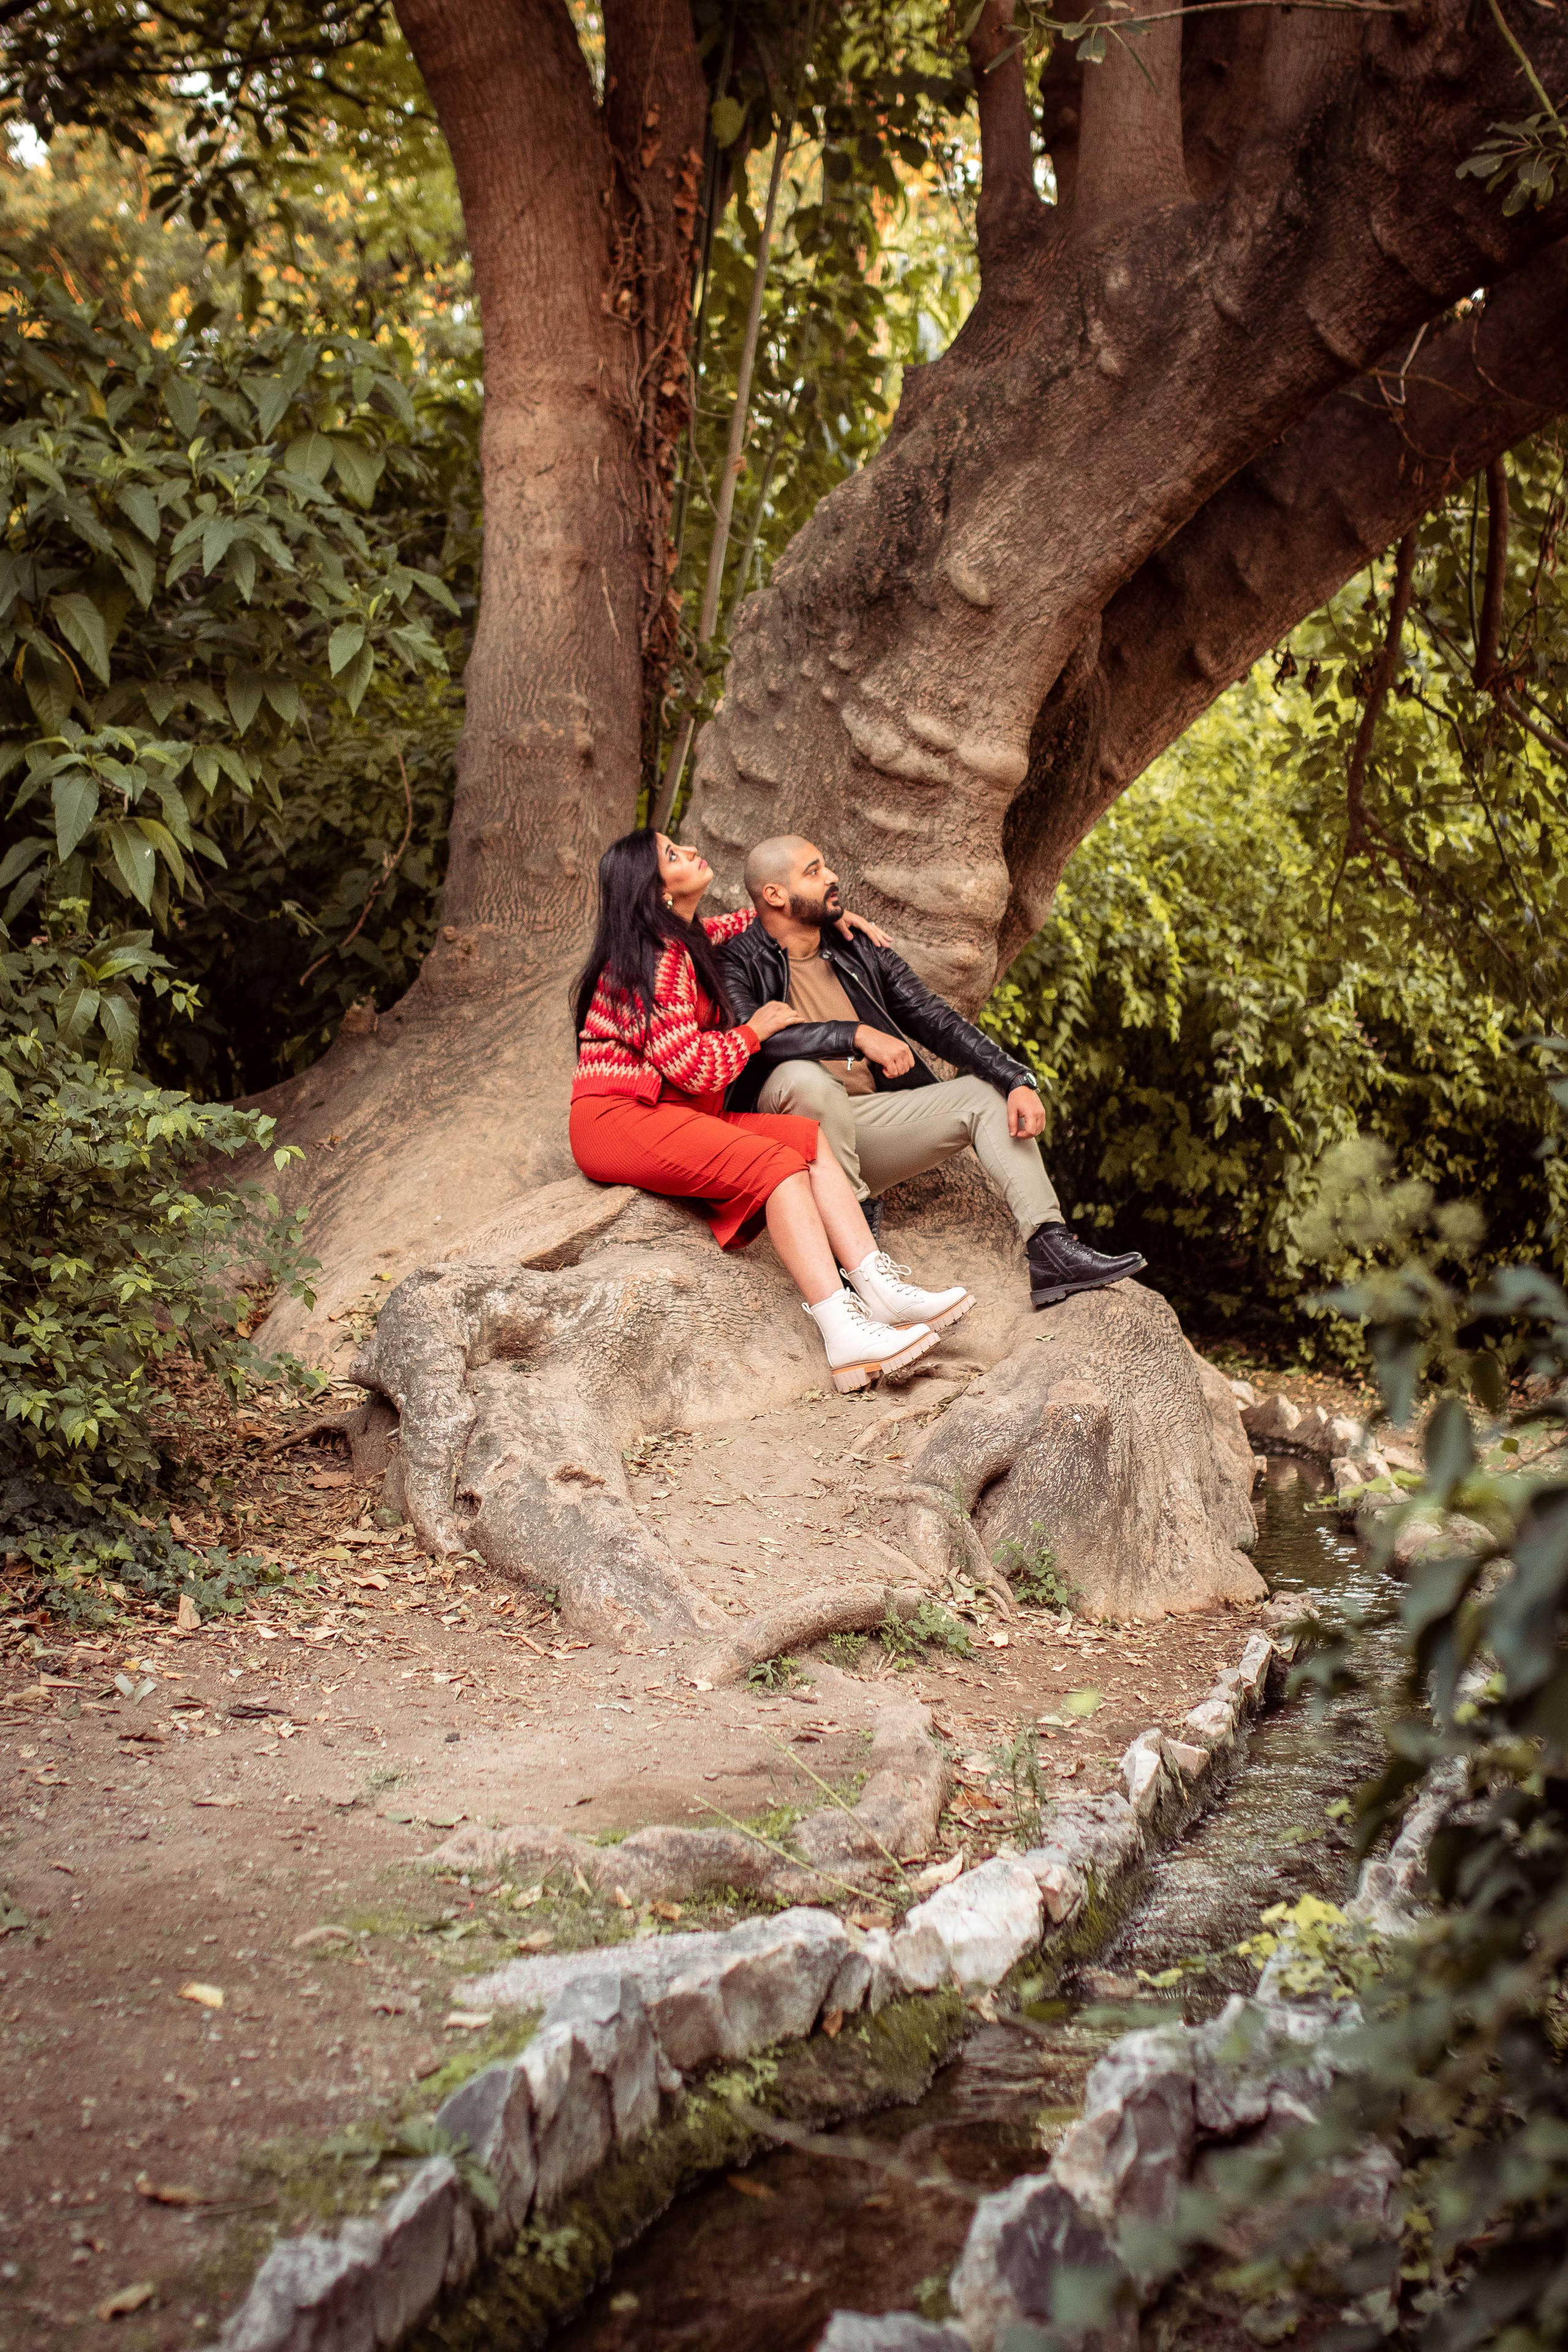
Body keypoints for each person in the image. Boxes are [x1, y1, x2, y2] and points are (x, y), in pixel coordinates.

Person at [568, 827, 976, 1393]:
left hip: (672, 1115)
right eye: (673, 854)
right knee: (776, 1165)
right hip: (620, 1119)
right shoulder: (652, 961)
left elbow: (752, 921)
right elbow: (694, 1069)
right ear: (656, 890)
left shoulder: (688, 940)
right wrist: (753, 1032)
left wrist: (831, 916)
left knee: (805, 1139)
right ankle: (842, 1332)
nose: (691, 851)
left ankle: (879, 1291)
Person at [720, 835, 1147, 1309]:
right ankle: (855, 1251)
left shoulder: (857, 946)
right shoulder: (735, 960)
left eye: (825, 866)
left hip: (862, 1125)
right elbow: (757, 1041)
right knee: (803, 1079)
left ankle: (1051, 1249)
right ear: (775, 895)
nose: (832, 877)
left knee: (985, 1095)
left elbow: (933, 1016)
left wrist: (1014, 1078)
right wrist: (855, 1034)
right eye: (814, 871)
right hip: (788, 1143)